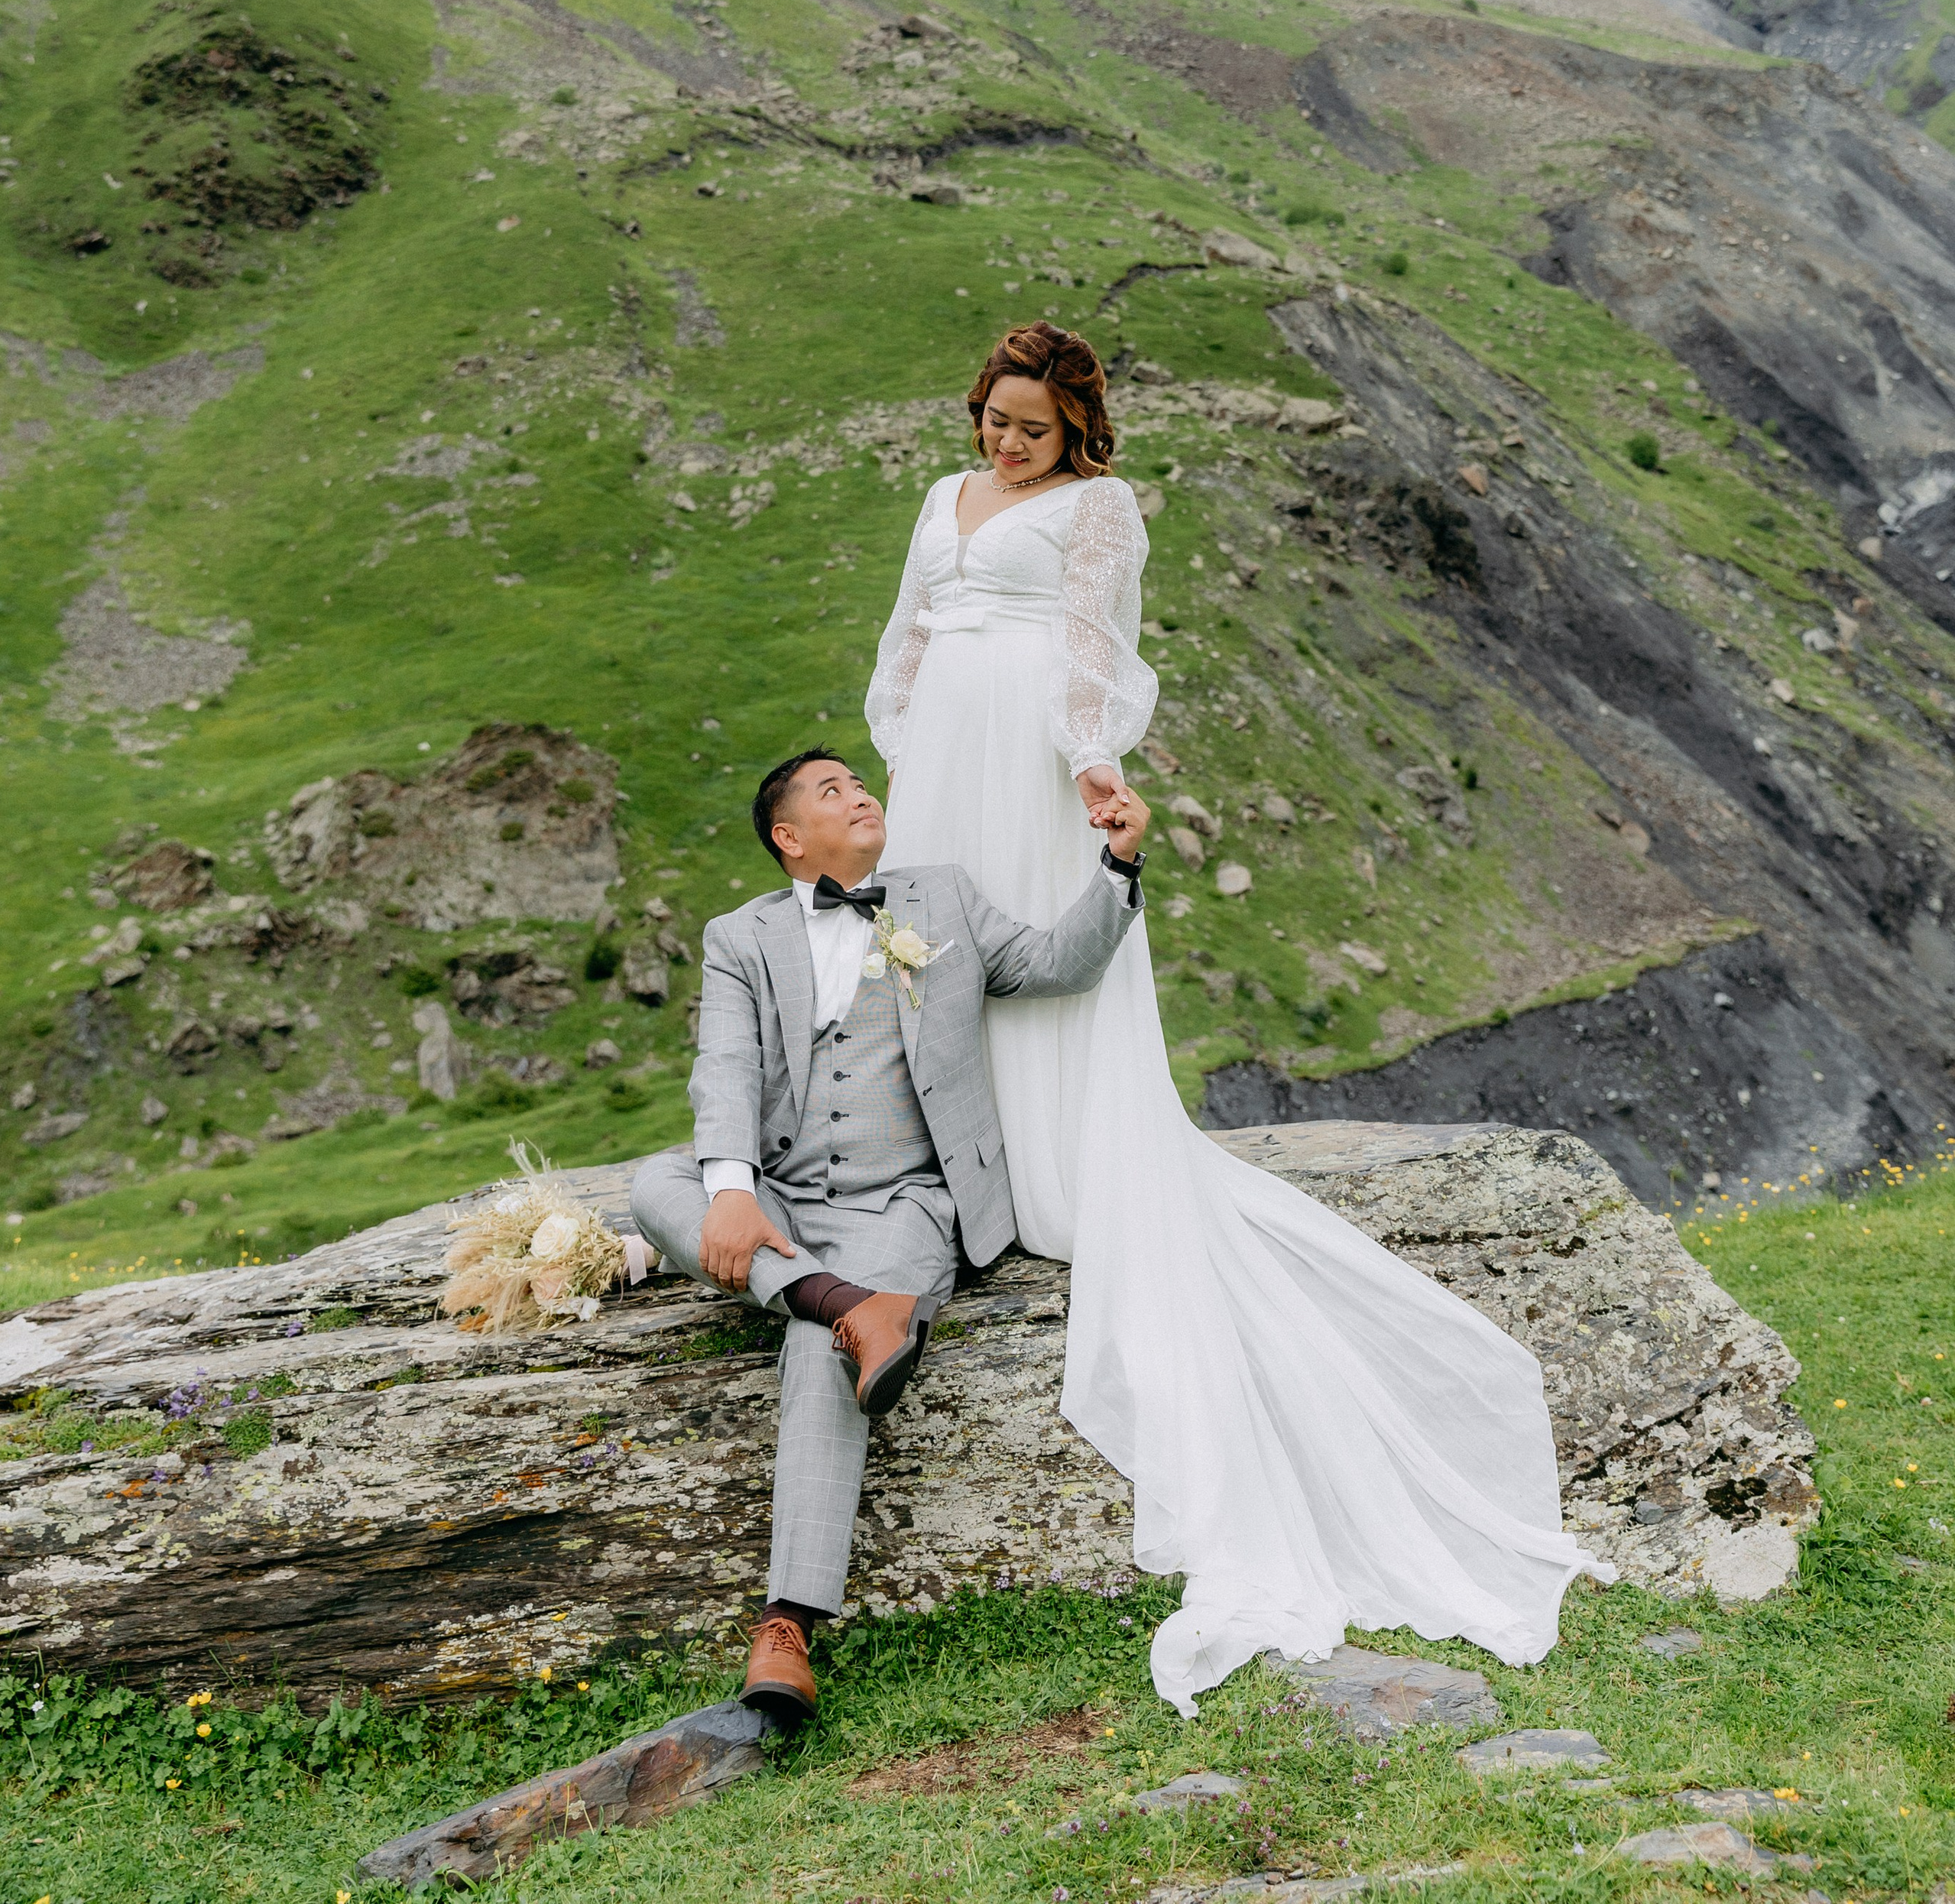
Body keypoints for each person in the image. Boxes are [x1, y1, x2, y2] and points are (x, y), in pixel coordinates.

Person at [868, 319, 1613, 1718]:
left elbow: (1090, 649)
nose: (1003, 444)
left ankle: (1060, 1155)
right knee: (947, 956)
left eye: (1029, 427)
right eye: (992, 421)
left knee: (1043, 950)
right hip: (942, 764)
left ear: (1076, 429)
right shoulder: (939, 500)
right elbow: (909, 632)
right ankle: (973, 1164)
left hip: (1029, 758)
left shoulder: (1100, 512)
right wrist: (903, 752)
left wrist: (1091, 767)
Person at [630, 742, 1151, 1720]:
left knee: (814, 1352)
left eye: (860, 784)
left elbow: (1054, 966)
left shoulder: (940, 896)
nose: (859, 794)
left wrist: (1118, 864)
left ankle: (785, 1626)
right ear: (789, 838)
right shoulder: (738, 937)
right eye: (832, 792)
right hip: (783, 1190)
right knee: (654, 1182)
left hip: (904, 1201)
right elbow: (726, 1069)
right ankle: (848, 1305)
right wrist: (735, 1188)